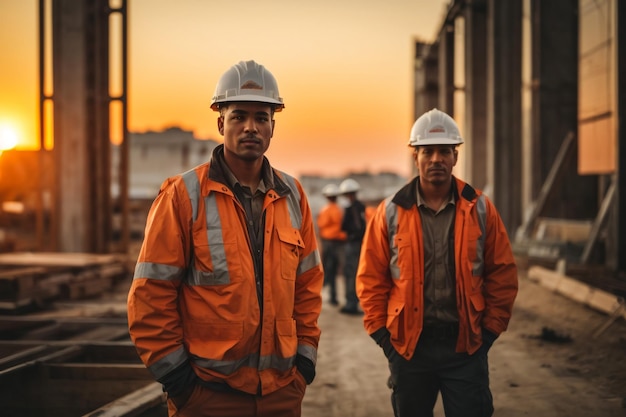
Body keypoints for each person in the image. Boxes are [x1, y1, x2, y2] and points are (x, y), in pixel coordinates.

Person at [127, 60, 324, 417]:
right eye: (239, 116)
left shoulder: (293, 195)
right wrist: (180, 382)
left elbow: (307, 286)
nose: (251, 127)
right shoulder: (183, 196)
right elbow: (150, 296)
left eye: (261, 117)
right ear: (221, 123)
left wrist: (304, 362)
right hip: (207, 395)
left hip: (280, 394)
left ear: (272, 126)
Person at [356, 108, 518, 417]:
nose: (436, 159)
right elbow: (370, 280)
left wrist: (488, 335)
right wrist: (384, 338)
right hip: (409, 350)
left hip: (465, 348)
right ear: (414, 156)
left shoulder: (480, 208)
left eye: (444, 151)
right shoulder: (390, 211)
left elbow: (503, 274)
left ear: (455, 157)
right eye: (427, 151)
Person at [339, 178, 367, 315]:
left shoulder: (352, 209)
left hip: (353, 244)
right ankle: (351, 303)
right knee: (353, 273)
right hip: (358, 244)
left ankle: (351, 304)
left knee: (351, 273)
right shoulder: (361, 207)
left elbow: (346, 226)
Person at [317, 183, 347, 306]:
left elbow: (321, 224)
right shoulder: (340, 210)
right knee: (336, 269)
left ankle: (332, 296)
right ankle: (335, 296)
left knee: (330, 269)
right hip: (338, 242)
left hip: (329, 242)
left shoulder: (326, 210)